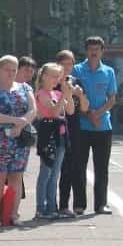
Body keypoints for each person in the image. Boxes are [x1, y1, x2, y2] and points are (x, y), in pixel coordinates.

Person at [0, 55, 37, 227]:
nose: (11, 73)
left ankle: (14, 214)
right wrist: (16, 121)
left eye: (14, 70)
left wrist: (21, 125)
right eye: (7, 69)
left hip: (20, 138)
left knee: (16, 176)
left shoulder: (25, 88)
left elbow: (33, 110)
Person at [71, 37, 118, 215]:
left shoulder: (109, 72)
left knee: (101, 168)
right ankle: (79, 204)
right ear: (86, 50)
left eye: (97, 49)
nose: (94, 52)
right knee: (79, 166)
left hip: (103, 126)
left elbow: (112, 98)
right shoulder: (77, 70)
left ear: (102, 51)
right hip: (82, 126)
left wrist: (98, 114)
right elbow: (75, 98)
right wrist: (89, 114)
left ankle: (101, 204)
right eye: (90, 49)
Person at [34, 63, 75, 219]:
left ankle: (52, 207)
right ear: (44, 76)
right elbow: (53, 112)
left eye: (58, 76)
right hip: (48, 136)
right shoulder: (42, 93)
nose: (56, 79)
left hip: (61, 136)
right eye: (53, 75)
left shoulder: (57, 94)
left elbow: (70, 111)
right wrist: (64, 95)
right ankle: (40, 208)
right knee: (46, 173)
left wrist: (68, 94)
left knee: (55, 174)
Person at [56, 50, 90, 216]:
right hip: (58, 127)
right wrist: (66, 91)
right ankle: (62, 205)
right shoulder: (52, 81)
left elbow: (84, 108)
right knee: (63, 168)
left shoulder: (77, 82)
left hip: (75, 128)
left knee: (78, 166)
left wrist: (80, 94)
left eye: (70, 64)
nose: (67, 67)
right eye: (64, 64)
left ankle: (80, 204)